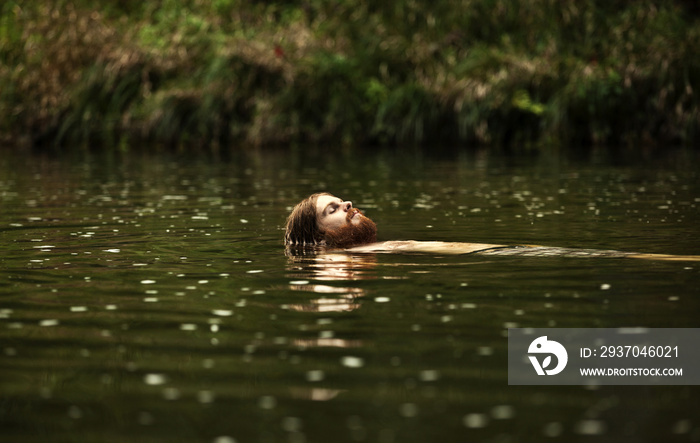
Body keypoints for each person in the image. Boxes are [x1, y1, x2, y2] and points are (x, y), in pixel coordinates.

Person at [285, 192, 700, 261]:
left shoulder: (360, 256)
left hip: (503, 252)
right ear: (319, 236)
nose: (349, 204)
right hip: (498, 255)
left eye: (342, 200)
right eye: (333, 209)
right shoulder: (336, 265)